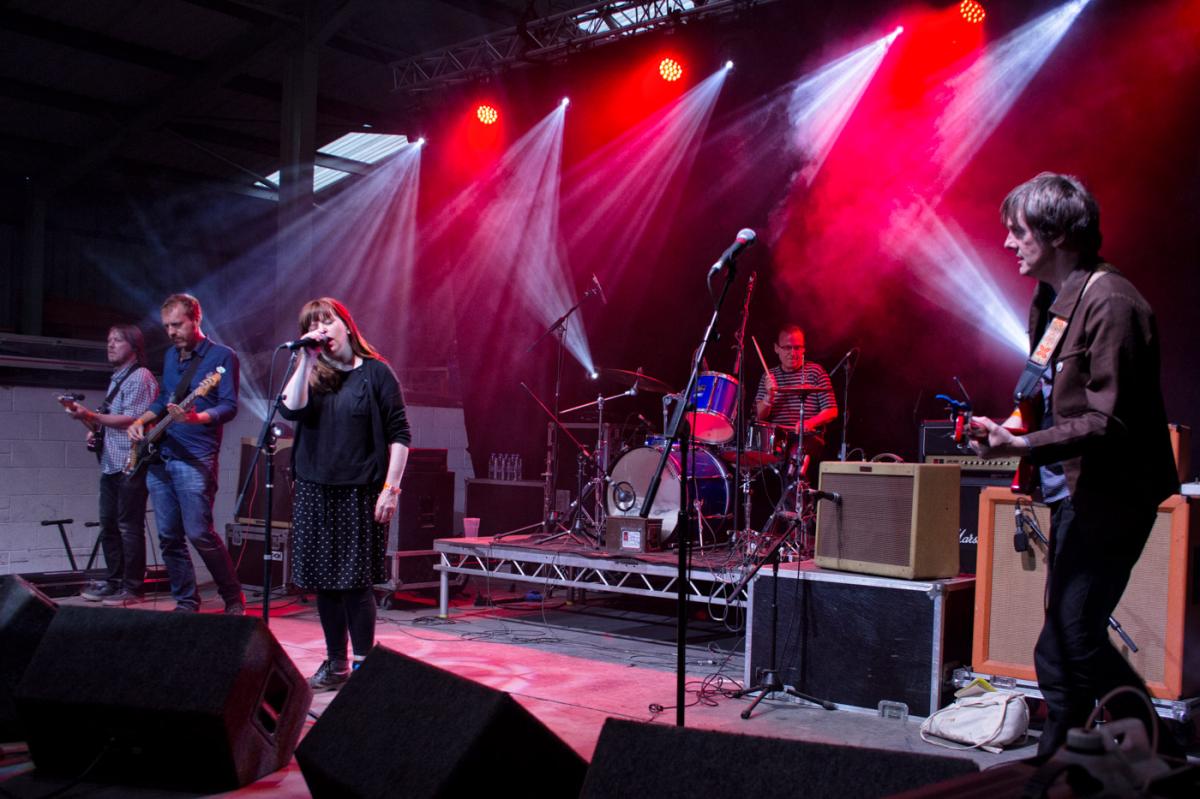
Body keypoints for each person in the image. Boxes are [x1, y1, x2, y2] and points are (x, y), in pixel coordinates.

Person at [970, 173, 1178, 756]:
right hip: (1073, 495)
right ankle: (1125, 758)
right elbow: (1045, 392)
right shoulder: (1053, 300)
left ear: (1057, 233)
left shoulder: (1113, 302)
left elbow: (1108, 423)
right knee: (1069, 638)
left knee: (1070, 638)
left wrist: (1025, 448)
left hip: (1114, 494)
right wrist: (1011, 428)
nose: (1009, 243)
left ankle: (1068, 763)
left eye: (1019, 231)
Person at [279, 298, 411, 691]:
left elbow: (400, 436)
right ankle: (335, 662)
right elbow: (290, 410)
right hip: (315, 491)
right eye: (312, 325)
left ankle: (363, 666)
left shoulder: (376, 373)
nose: (321, 329)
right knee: (325, 583)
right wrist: (305, 359)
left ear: (347, 326)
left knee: (355, 584)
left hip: (360, 492)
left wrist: (391, 489)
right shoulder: (313, 374)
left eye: (327, 321)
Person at [128, 293, 245, 614]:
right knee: (169, 536)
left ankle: (233, 596)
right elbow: (165, 396)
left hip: (196, 457)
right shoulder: (170, 357)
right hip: (162, 455)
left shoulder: (222, 357)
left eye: (177, 324)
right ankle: (186, 602)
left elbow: (229, 406)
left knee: (198, 532)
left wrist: (195, 418)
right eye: (166, 326)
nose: (171, 332)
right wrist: (141, 421)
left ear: (196, 319)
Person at [67, 325, 159, 606]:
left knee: (128, 526)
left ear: (134, 345)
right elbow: (113, 420)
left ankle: (133, 587)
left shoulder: (140, 377)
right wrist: (96, 429)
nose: (110, 345)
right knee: (109, 524)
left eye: (117, 340)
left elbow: (133, 419)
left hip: (130, 461)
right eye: (108, 340)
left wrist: (92, 416)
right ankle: (115, 580)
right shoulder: (117, 378)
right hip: (111, 462)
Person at [754, 325, 838, 460]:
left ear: (804, 349)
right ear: (776, 348)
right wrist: (768, 397)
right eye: (787, 347)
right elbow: (759, 416)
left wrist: (810, 423)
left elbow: (831, 410)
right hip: (776, 439)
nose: (793, 353)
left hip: (808, 438)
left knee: (795, 453)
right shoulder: (769, 376)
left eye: (797, 347)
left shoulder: (816, 372)